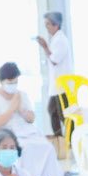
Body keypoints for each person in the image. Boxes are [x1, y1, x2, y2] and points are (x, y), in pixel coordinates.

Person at [0, 61, 62, 176]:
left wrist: (21, 110)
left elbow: (31, 118)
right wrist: (11, 108)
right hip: (6, 133)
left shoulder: (21, 95)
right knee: (26, 148)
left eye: (15, 81)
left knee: (47, 147)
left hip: (26, 130)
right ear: (2, 81)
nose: (13, 85)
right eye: (10, 82)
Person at [36, 11, 73, 144]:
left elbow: (54, 60)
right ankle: (61, 141)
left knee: (63, 115)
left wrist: (45, 46)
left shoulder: (60, 40)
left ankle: (68, 141)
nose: (46, 28)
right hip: (57, 85)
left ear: (56, 25)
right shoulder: (56, 39)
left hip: (62, 86)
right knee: (55, 112)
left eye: (48, 25)